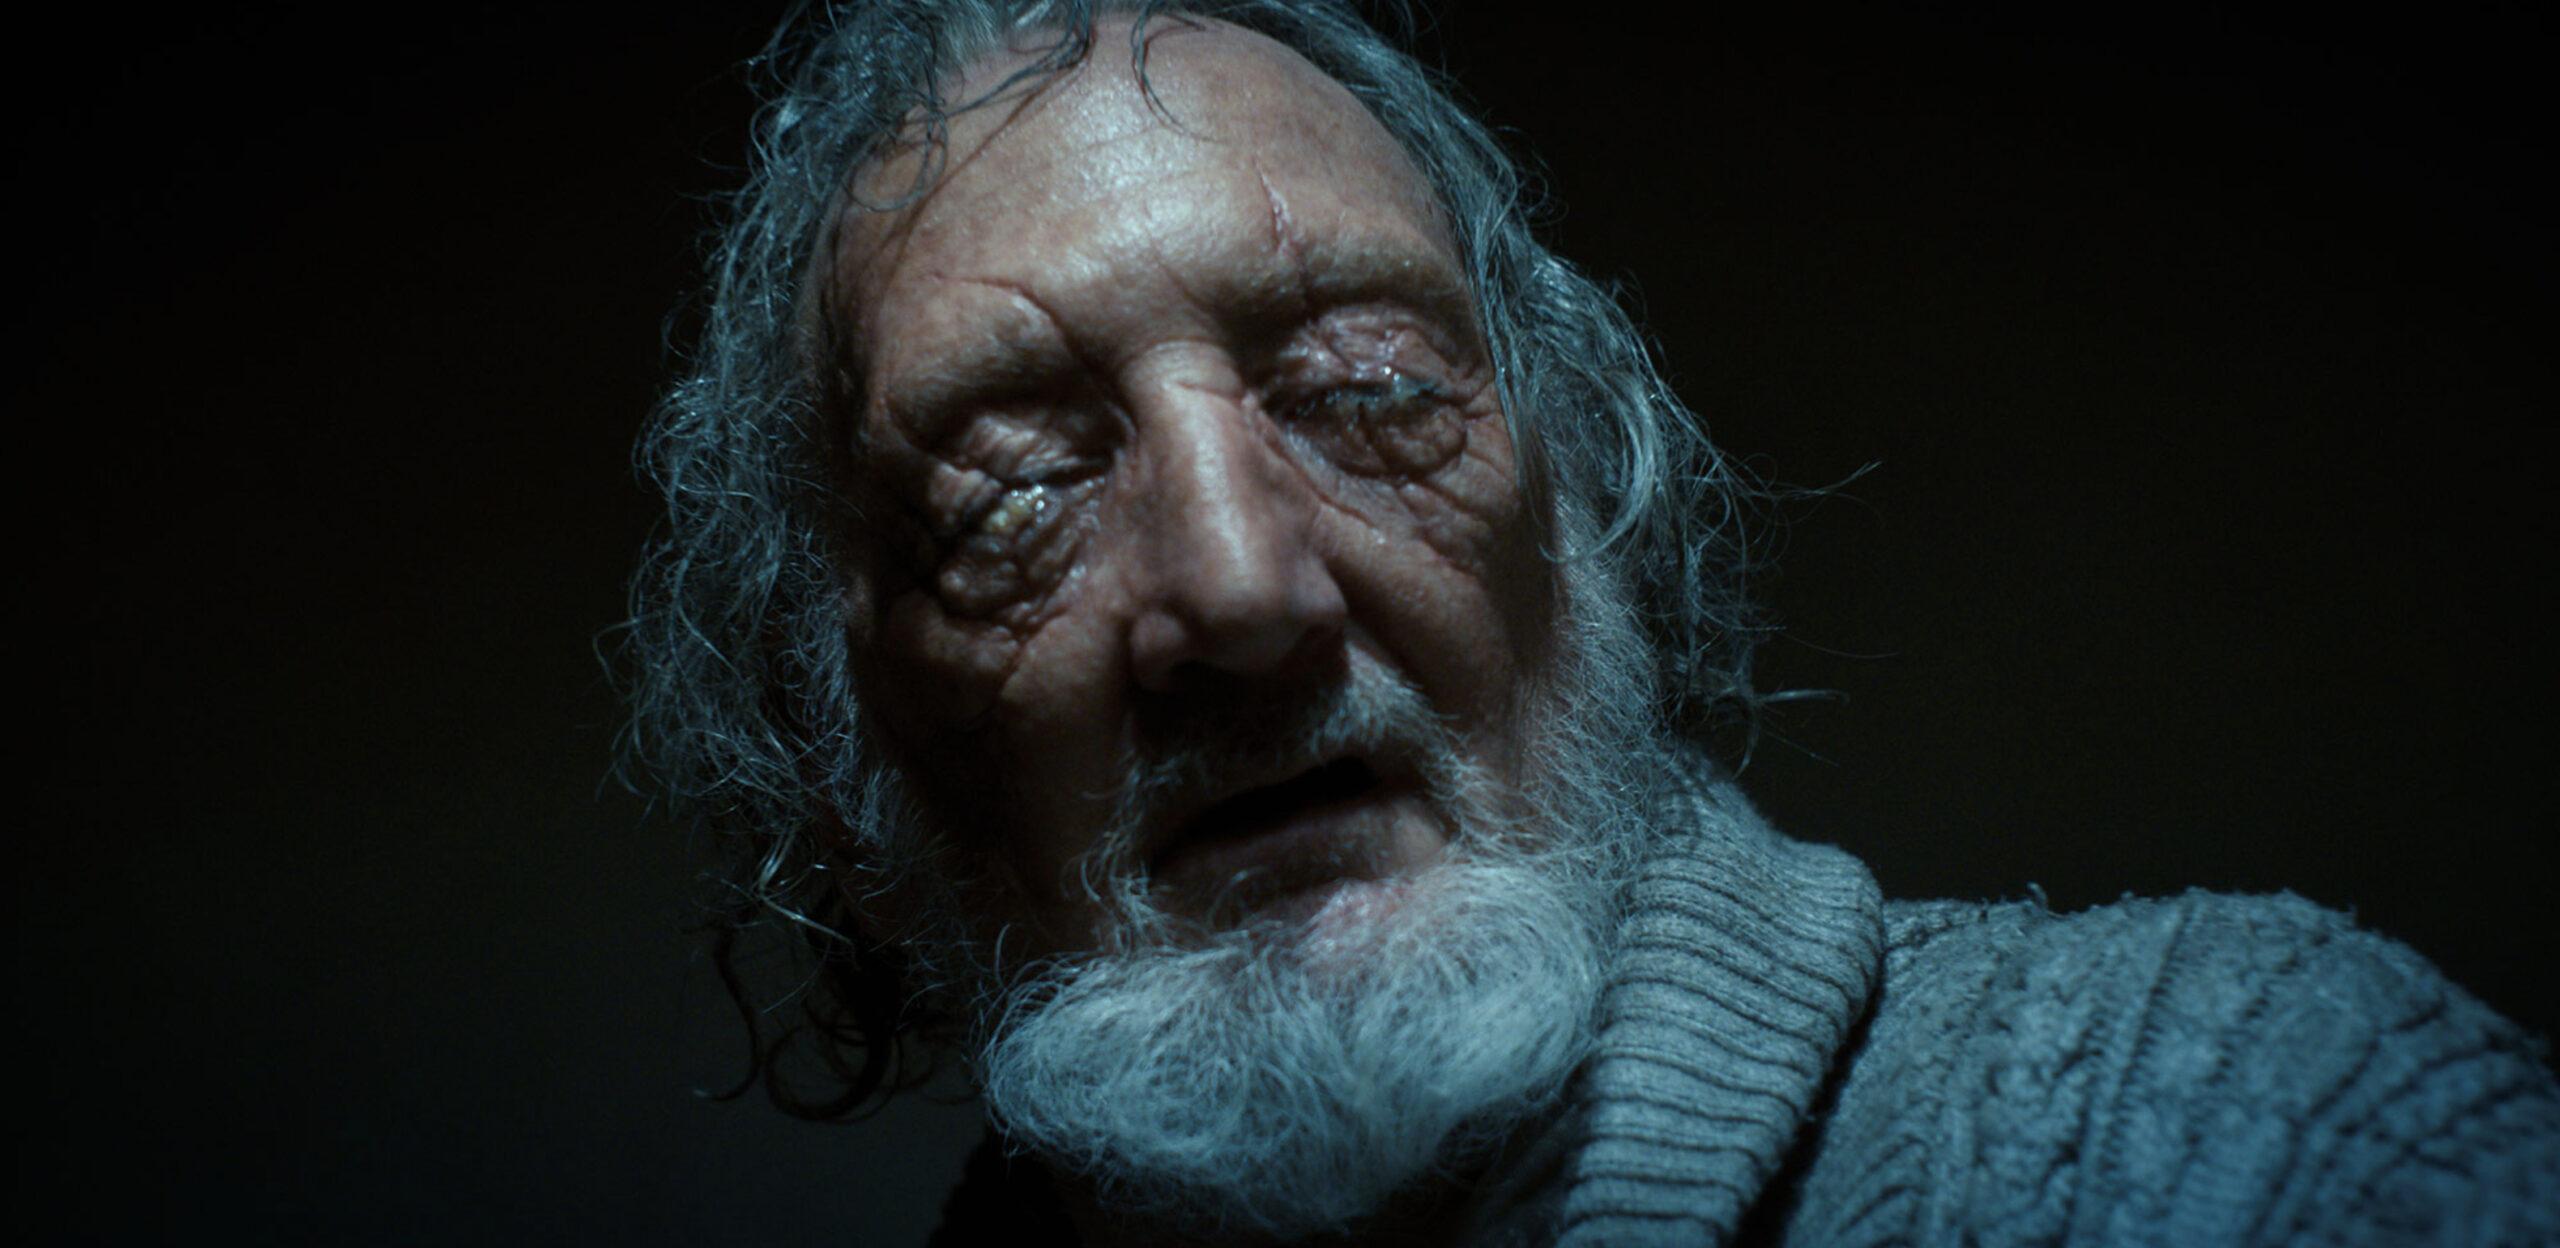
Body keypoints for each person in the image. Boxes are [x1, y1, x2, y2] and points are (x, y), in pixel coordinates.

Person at [623, 2, 2560, 1243]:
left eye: (1367, 389)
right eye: (1010, 492)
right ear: (840, 763)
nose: (1239, 590)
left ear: (1595, 523)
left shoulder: (2248, 1129)